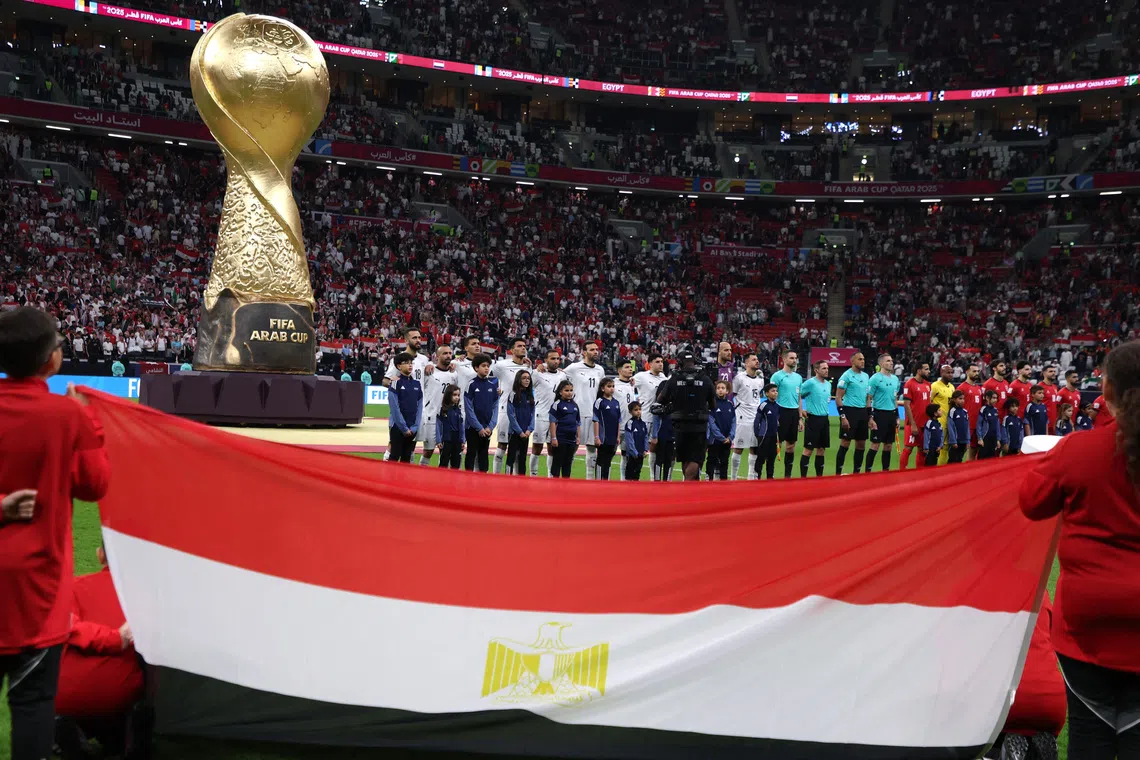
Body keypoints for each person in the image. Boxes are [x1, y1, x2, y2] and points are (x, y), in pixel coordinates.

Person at [1019, 339, 1140, 760]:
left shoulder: (1079, 450)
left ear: (1104, 393)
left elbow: (1031, 502)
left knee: (1091, 734)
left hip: (1088, 623)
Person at [0, 306, 111, 760]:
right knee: (31, 707)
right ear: (51, 360)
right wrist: (92, 423)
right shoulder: (67, 417)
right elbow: (94, 485)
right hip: (37, 593)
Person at [53, 546, 144, 760]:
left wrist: (111, 638)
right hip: (121, 698)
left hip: (67, 699)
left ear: (100, 554)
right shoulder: (143, 596)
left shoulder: (72, 588)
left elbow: (65, 626)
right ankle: (131, 732)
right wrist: (115, 638)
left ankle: (66, 730)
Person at [654, 349, 716, 481]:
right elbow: (713, 404)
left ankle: (688, 485)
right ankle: (688, 483)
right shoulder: (705, 379)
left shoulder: (674, 379)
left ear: (679, 363)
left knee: (685, 458)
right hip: (699, 425)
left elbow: (660, 400)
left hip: (680, 425)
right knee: (696, 458)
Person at [564, 341, 606, 480]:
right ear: (584, 352)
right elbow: (558, 376)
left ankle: (590, 482)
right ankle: (565, 479)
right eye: (592, 349)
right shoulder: (574, 368)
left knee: (592, 448)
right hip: (577, 415)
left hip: (594, 415)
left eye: (597, 349)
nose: (596, 352)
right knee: (572, 448)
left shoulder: (600, 370)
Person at [491, 338, 531, 475]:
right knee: (502, 445)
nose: (523, 348)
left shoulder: (528, 367)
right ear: (512, 350)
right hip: (504, 411)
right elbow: (485, 374)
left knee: (519, 447)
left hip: (521, 413)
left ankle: (514, 479)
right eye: (519, 346)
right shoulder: (501, 365)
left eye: (524, 346)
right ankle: (496, 476)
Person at [530, 349, 567, 478]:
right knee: (537, 446)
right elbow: (526, 387)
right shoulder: (537, 373)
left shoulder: (562, 375)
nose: (556, 361)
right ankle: (533, 475)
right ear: (545, 360)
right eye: (552, 358)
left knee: (552, 448)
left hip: (556, 418)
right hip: (541, 415)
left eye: (558, 359)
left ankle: (550, 476)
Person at [418, 345, 457, 466]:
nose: (448, 356)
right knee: (428, 451)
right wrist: (429, 363)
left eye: (450, 353)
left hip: (446, 418)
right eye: (445, 353)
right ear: (437, 356)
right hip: (431, 417)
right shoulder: (429, 372)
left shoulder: (454, 374)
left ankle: (442, 478)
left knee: (445, 451)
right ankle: (421, 475)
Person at [730, 353, 765, 480]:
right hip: (742, 418)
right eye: (754, 359)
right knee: (738, 448)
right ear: (746, 363)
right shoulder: (739, 378)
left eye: (757, 359)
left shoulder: (760, 379)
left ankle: (751, 478)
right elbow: (732, 395)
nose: (757, 361)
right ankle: (733, 478)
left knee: (754, 448)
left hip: (756, 418)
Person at [835, 352, 870, 475]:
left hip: (862, 412)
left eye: (863, 359)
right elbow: (838, 397)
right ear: (852, 361)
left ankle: (856, 473)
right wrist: (843, 417)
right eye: (859, 359)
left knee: (861, 444)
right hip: (850, 411)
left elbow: (868, 398)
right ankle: (838, 473)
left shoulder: (866, 376)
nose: (862, 361)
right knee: (845, 442)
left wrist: (869, 416)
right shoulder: (846, 376)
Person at [770, 350, 804, 478]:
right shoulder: (777, 376)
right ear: (784, 360)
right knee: (776, 443)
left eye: (795, 358)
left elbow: (799, 398)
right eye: (791, 358)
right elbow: (770, 396)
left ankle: (787, 476)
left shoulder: (799, 377)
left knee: (791, 445)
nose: (794, 360)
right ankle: (770, 473)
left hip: (794, 413)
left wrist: (800, 418)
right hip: (780, 411)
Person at [634, 354, 667, 481]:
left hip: (658, 419)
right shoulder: (641, 376)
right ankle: (632, 476)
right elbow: (628, 385)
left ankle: (653, 478)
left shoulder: (664, 378)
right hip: (645, 417)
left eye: (662, 362)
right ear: (650, 363)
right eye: (657, 362)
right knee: (640, 449)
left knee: (655, 447)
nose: (660, 364)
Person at [463, 354, 499, 472]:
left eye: (488, 366)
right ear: (476, 368)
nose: (486, 368)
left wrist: (490, 426)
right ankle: (467, 482)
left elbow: (495, 408)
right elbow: (469, 409)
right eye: (483, 366)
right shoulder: (471, 385)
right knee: (471, 454)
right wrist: (479, 428)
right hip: (472, 428)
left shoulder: (493, 386)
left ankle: (483, 484)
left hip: (487, 428)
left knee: (484, 457)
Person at [866, 353, 901, 472]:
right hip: (879, 414)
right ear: (881, 363)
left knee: (888, 445)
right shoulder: (875, 378)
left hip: (891, 414)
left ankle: (885, 471)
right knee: (875, 444)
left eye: (891, 360)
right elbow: (868, 398)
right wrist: (870, 417)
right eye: (888, 361)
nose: (891, 363)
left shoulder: (896, 379)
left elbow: (895, 399)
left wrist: (897, 416)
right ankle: (867, 471)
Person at [386, 352, 423, 464]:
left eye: (411, 363)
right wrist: (403, 427)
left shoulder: (417, 384)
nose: (410, 365)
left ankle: (402, 481)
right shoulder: (395, 383)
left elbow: (420, 407)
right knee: (395, 455)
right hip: (397, 427)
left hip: (412, 428)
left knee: (406, 458)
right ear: (398, 366)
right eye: (406, 363)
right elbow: (394, 408)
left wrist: (415, 426)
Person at [799, 360, 831, 478]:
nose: (826, 370)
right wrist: (801, 410)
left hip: (824, 419)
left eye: (827, 368)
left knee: (821, 449)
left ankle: (819, 478)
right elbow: (797, 395)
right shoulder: (810, 383)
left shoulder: (828, 384)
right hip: (813, 419)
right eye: (823, 368)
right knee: (808, 449)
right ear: (816, 370)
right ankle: (803, 478)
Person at [900, 361, 933, 469]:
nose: (929, 371)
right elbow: (906, 404)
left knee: (923, 450)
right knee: (908, 448)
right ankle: (901, 472)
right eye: (926, 369)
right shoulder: (909, 383)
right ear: (919, 371)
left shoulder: (928, 385)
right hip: (913, 423)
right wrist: (913, 424)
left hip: (925, 424)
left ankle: (919, 474)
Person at [505, 370, 535, 476]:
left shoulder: (530, 395)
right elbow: (511, 415)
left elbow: (533, 414)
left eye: (528, 378)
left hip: (526, 433)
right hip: (514, 433)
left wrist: (529, 429)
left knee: (522, 459)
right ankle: (507, 480)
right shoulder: (513, 394)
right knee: (511, 458)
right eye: (524, 378)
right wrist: (519, 431)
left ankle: (522, 482)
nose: (527, 380)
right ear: (518, 380)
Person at [547, 380, 580, 478]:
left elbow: (578, 422)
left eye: (571, 390)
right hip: (560, 438)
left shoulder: (575, 405)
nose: (569, 393)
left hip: (571, 439)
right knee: (557, 463)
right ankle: (554, 486)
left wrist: (578, 437)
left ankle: (565, 486)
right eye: (566, 390)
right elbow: (552, 422)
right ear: (560, 392)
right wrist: (553, 438)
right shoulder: (557, 404)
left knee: (568, 464)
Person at [591, 377, 621, 481]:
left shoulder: (616, 403)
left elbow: (618, 421)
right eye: (609, 386)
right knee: (601, 459)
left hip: (613, 437)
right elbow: (596, 420)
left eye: (613, 386)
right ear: (602, 389)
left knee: (608, 460)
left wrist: (617, 436)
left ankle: (606, 480)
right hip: (603, 437)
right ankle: (599, 481)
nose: (612, 389)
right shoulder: (599, 402)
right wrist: (597, 437)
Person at [706, 380, 735, 481]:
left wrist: (730, 437)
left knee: (724, 462)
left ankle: (724, 482)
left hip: (727, 440)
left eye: (723, 388)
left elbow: (733, 422)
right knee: (711, 460)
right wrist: (721, 438)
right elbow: (711, 423)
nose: (720, 390)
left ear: (727, 391)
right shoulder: (712, 404)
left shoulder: (730, 404)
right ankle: (708, 479)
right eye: (718, 388)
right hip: (715, 440)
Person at [956, 363, 986, 461]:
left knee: (974, 450)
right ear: (967, 372)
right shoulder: (961, 388)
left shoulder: (979, 389)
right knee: (961, 451)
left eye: (978, 371)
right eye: (974, 371)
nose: (976, 373)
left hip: (977, 425)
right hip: (966, 425)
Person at [435, 384, 465, 469]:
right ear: (448, 395)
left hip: (457, 439)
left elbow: (461, 427)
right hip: (446, 439)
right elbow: (438, 425)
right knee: (444, 462)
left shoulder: (458, 410)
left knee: (456, 463)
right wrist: (438, 440)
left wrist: (462, 440)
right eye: (454, 395)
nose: (457, 397)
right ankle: (442, 480)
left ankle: (454, 481)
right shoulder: (442, 410)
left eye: (458, 395)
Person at [930, 365, 956, 465]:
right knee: (937, 446)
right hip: (939, 421)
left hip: (949, 422)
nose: (950, 375)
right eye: (947, 372)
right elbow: (929, 402)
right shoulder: (935, 386)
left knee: (946, 446)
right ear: (941, 373)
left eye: (951, 372)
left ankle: (942, 469)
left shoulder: (952, 387)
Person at [753, 384, 780, 479]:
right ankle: (757, 476)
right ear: (767, 393)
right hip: (764, 436)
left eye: (776, 391)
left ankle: (770, 476)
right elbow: (757, 421)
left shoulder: (777, 406)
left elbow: (778, 421)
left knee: (772, 458)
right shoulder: (763, 405)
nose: (775, 393)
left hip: (773, 437)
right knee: (761, 458)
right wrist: (758, 435)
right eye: (773, 391)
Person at [622, 402, 649, 481]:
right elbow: (629, 439)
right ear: (630, 412)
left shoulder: (643, 424)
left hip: (641, 454)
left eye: (640, 409)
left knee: (637, 473)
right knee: (630, 474)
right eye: (635, 410)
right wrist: (634, 452)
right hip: (632, 455)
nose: (638, 411)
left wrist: (645, 450)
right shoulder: (630, 423)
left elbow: (645, 437)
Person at [976, 389, 1004, 459]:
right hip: (985, 438)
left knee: (991, 458)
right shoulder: (983, 409)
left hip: (993, 438)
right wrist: (980, 438)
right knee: (982, 458)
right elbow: (979, 424)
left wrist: (998, 439)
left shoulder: (995, 410)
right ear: (988, 398)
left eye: (996, 398)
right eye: (994, 398)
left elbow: (997, 426)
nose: (995, 400)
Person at [650, 410, 676, 481]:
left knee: (669, 460)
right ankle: (657, 480)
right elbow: (656, 419)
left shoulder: (675, 404)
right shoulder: (661, 403)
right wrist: (654, 436)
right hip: (661, 436)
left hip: (672, 436)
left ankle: (666, 481)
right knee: (659, 460)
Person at [947, 391, 970, 463]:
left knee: (960, 460)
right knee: (952, 461)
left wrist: (968, 440)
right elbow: (950, 427)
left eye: (963, 399)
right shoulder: (952, 411)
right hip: (956, 442)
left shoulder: (965, 412)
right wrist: (953, 441)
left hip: (963, 441)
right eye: (960, 398)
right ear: (954, 399)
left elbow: (967, 427)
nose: (962, 400)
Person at [1039, 365, 1064, 433]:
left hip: (1053, 422)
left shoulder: (1055, 387)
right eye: (1050, 371)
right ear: (1044, 373)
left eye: (1054, 371)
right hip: (1043, 422)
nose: (1053, 373)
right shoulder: (1039, 386)